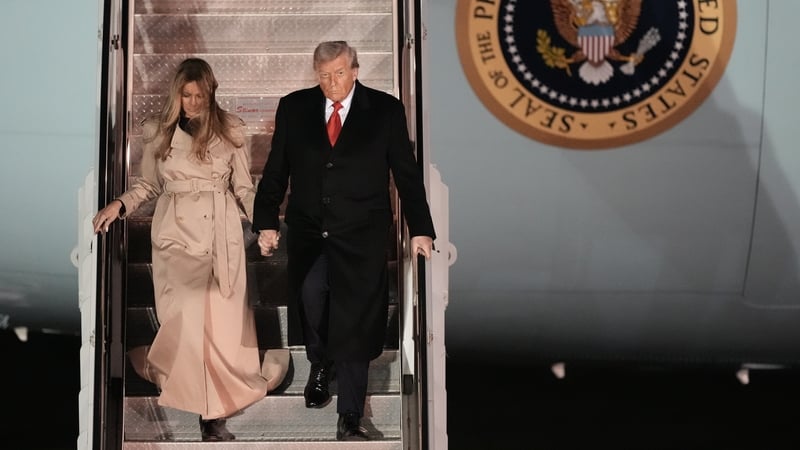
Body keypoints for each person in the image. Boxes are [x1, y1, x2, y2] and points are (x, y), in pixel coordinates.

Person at [252, 40, 436, 441]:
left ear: (355, 69)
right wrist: (265, 220)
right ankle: (320, 362)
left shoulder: (385, 111)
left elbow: (405, 173)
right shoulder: (295, 107)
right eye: (323, 76)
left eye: (338, 74)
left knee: (353, 320)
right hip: (309, 231)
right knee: (312, 298)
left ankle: (349, 415)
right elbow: (276, 170)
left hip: (362, 234)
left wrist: (421, 228)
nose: (331, 83)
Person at [92, 58, 269, 442]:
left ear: (210, 93)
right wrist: (119, 205)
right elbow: (148, 185)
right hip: (176, 234)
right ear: (177, 94)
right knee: (189, 313)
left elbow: (244, 188)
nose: (192, 102)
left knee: (219, 323)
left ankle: (212, 415)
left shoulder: (231, 130)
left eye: (199, 95)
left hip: (220, 233)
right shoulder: (159, 133)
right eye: (186, 95)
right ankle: (203, 404)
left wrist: (264, 225)